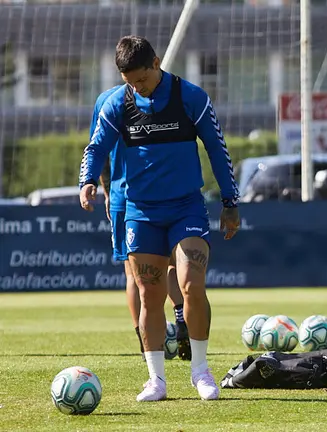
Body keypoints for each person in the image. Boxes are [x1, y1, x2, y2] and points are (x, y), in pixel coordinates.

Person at [79, 35, 240, 401]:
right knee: (149, 295)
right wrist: (87, 180)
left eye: (142, 79)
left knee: (191, 284)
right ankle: (156, 380)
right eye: (130, 81)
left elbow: (217, 149)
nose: (138, 87)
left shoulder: (191, 97)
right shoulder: (117, 103)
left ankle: (201, 371)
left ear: (156, 64)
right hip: (140, 211)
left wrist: (230, 201)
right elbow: (97, 145)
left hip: (186, 208)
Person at [92, 85, 191, 362]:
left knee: (134, 273)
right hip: (163, 192)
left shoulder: (107, 100)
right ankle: (181, 321)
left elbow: (98, 150)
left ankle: (144, 337)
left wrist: (107, 192)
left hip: (125, 194)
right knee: (171, 264)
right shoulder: (162, 94)